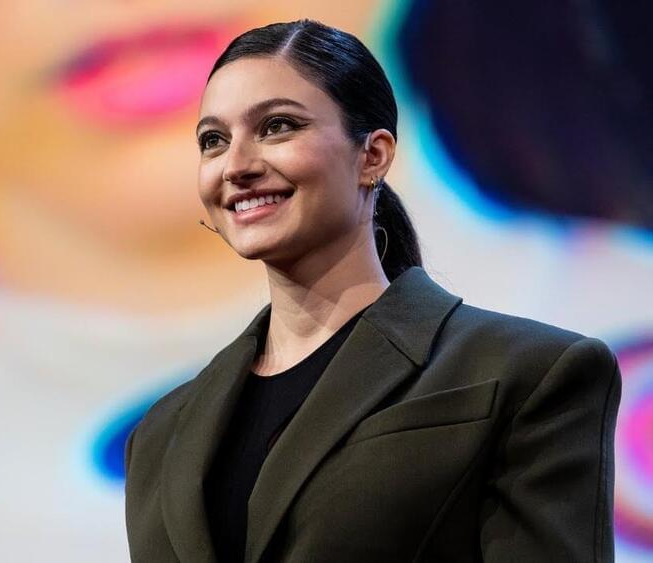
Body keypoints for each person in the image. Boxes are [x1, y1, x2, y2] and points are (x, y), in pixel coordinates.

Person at [123, 19, 622, 562]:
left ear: (373, 155)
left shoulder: (526, 372)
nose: (236, 166)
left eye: (277, 126)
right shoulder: (162, 432)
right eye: (213, 141)